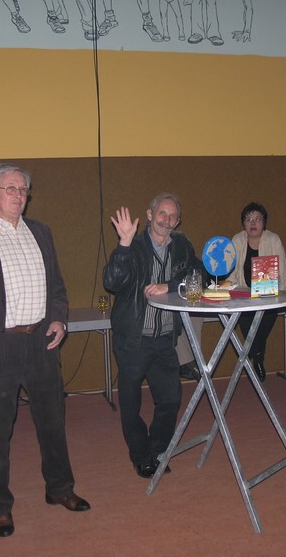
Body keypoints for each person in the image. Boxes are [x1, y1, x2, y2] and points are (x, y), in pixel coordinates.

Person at [0, 163, 89, 539]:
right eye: (9, 188)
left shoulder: (41, 232)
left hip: (40, 343)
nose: (18, 195)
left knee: (52, 423)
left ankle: (59, 488)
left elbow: (56, 287)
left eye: (23, 189)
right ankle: (0, 507)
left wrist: (58, 319)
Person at [103, 194, 204, 478]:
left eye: (173, 216)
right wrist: (123, 244)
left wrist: (169, 285)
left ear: (178, 221)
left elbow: (199, 275)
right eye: (162, 213)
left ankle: (158, 450)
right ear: (149, 215)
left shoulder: (182, 246)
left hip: (165, 338)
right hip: (133, 338)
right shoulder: (133, 245)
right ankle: (140, 456)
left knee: (171, 398)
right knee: (130, 403)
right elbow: (111, 281)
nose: (166, 220)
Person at [225, 202, 286, 381]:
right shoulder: (237, 239)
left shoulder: (273, 239)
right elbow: (231, 270)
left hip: (268, 293)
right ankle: (258, 355)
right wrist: (227, 285)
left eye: (257, 219)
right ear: (243, 224)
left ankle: (255, 354)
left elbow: (283, 268)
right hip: (243, 293)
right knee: (246, 319)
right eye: (248, 219)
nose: (253, 223)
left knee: (267, 316)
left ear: (264, 222)